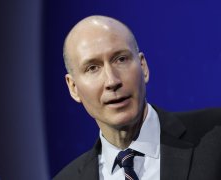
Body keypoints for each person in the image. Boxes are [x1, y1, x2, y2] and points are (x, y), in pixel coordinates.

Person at [53, 15, 221, 180]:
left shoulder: (215, 134)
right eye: (92, 68)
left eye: (121, 59)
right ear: (73, 87)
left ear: (143, 67)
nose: (112, 81)